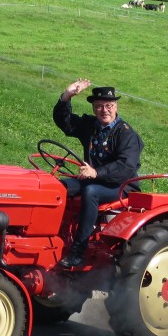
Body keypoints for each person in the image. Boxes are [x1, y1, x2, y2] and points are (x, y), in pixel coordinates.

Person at [52, 78, 144, 267]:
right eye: (99, 106)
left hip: (121, 186)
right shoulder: (91, 126)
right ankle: (54, 238)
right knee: (58, 187)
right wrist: (67, 96)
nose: (104, 110)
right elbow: (65, 122)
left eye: (109, 106)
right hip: (93, 180)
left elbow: (125, 166)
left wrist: (96, 172)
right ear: (94, 109)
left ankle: (78, 251)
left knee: (91, 192)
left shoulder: (126, 134)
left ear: (116, 106)